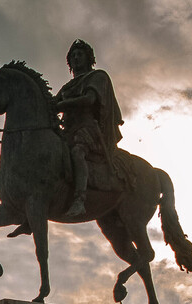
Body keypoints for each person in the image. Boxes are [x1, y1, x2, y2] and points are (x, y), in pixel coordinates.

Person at [53, 39, 124, 218]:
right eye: (73, 55)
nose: (76, 58)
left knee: (77, 151)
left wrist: (63, 104)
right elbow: (52, 104)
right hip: (68, 129)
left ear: (88, 58)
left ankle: (80, 199)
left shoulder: (97, 76)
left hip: (89, 128)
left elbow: (90, 99)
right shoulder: (67, 87)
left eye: (80, 54)